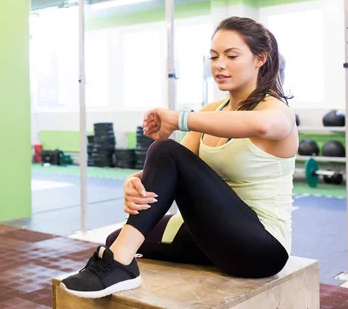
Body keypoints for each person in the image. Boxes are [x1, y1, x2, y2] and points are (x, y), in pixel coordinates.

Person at [61, 17, 298, 299]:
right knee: (119, 239)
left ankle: (118, 267)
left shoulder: (277, 110)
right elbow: (172, 170)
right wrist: (133, 183)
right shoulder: (213, 110)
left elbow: (261, 125)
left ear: (260, 58)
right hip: (219, 237)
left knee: (164, 149)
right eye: (213, 56)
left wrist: (179, 119)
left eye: (231, 55)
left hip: (262, 248)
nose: (219, 64)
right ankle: (119, 258)